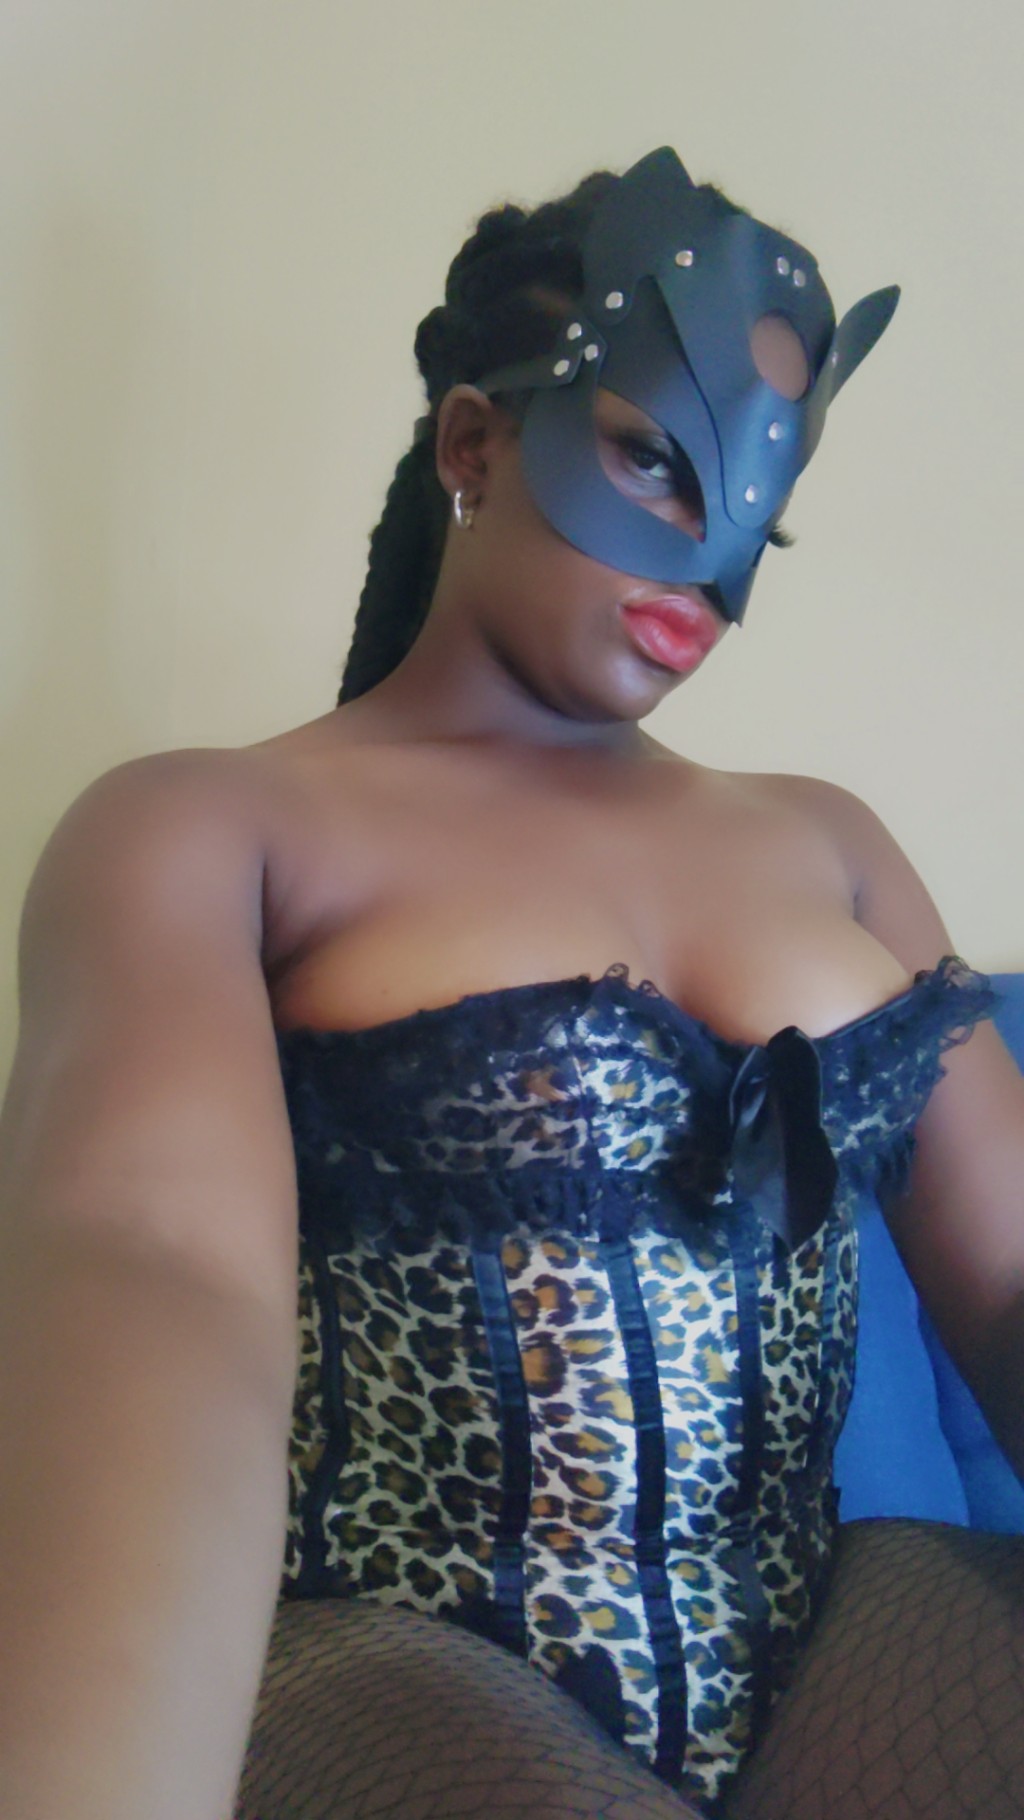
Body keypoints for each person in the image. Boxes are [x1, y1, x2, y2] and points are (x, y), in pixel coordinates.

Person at [0, 147, 1022, 1820]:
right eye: (654, 461)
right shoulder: (206, 826)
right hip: (397, 1661)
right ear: (472, 442)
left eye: (757, 514)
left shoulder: (830, 839)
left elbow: (1014, 1263)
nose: (706, 559)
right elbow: (155, 1272)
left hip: (837, 1639)